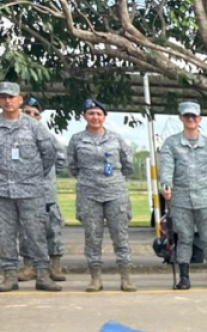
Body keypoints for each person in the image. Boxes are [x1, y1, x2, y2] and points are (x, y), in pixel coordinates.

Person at [67, 98, 136, 292]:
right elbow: (73, 166)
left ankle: (126, 278)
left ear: (105, 116)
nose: (95, 117)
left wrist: (114, 179)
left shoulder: (116, 138)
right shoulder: (77, 139)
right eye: (90, 114)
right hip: (89, 194)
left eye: (98, 113)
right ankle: (95, 278)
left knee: (120, 236)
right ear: (84, 116)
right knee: (92, 237)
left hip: (116, 193)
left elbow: (128, 165)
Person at [159, 101, 207, 290]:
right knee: (185, 238)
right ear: (181, 118)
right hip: (181, 198)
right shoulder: (171, 143)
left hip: (205, 198)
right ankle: (184, 277)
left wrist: (204, 179)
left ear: (200, 118)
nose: (191, 119)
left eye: (194, 116)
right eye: (187, 116)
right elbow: (166, 166)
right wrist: (166, 184)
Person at [0, 81, 59, 293]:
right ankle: (8, 276)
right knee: (4, 235)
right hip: (3, 192)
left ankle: (43, 274)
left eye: (11, 97)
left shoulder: (33, 126)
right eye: (3, 97)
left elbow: (49, 154)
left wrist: (34, 175)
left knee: (36, 234)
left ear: (19, 100)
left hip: (31, 190)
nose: (7, 101)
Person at [18, 96, 67, 284]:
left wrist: (49, 176)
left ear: (40, 117)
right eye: (27, 112)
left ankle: (55, 266)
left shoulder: (48, 136)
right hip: (23, 192)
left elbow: (60, 159)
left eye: (35, 114)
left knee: (52, 229)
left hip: (46, 192)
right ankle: (29, 266)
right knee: (25, 230)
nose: (31, 116)